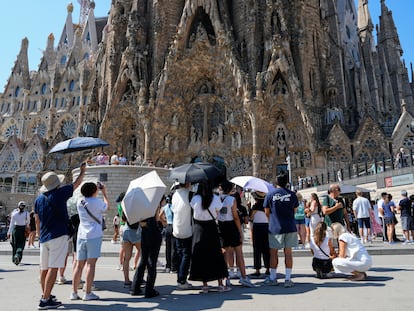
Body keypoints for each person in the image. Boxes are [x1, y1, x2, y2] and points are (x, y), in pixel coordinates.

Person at [34, 163, 86, 309]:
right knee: (53, 268)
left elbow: (37, 219)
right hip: (58, 234)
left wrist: (39, 235)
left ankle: (46, 294)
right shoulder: (60, 193)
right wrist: (82, 171)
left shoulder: (39, 199)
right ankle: (45, 301)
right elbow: (76, 184)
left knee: (44, 268)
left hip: (44, 237)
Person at [70, 181, 110, 301]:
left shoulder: (79, 202)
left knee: (79, 265)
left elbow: (88, 197)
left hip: (81, 235)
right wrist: (104, 193)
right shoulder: (98, 202)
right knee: (90, 265)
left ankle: (74, 292)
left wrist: (95, 190)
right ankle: (87, 293)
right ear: (94, 191)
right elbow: (107, 206)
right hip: (94, 235)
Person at [189, 181, 229, 293]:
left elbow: (193, 208)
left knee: (201, 256)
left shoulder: (195, 198)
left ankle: (205, 284)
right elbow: (218, 209)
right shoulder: (215, 198)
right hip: (211, 227)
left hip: (199, 228)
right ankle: (220, 284)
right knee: (216, 255)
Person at [263, 173, 299, 288]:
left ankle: (273, 277)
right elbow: (295, 210)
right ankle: (287, 279)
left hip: (275, 227)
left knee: (273, 253)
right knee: (288, 253)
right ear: (287, 182)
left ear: (276, 182)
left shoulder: (270, 195)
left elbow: (266, 212)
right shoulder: (292, 194)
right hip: (290, 226)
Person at [217, 180, 254, 288]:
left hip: (221, 225)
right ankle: (243, 276)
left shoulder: (216, 199)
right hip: (231, 225)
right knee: (238, 252)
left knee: (225, 252)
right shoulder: (231, 199)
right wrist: (239, 231)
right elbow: (235, 216)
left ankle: (225, 277)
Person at [129, 198, 164, 298]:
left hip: (144, 232)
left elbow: (140, 221)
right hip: (153, 231)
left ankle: (135, 287)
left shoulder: (141, 205)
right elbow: (157, 218)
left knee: (143, 260)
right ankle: (149, 289)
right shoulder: (154, 204)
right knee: (152, 261)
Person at [171, 182, 193, 290]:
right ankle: (182, 280)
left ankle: (180, 279)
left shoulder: (175, 195)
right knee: (186, 255)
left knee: (180, 254)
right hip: (187, 228)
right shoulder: (190, 195)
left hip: (176, 228)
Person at [249, 191, 270, 277]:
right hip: (266, 226)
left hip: (257, 227)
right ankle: (268, 268)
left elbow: (251, 217)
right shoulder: (267, 206)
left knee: (257, 249)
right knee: (266, 248)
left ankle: (257, 269)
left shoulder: (255, 206)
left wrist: (249, 207)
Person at [121, 217, 141, 288]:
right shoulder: (139, 207)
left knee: (126, 258)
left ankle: (126, 281)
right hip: (137, 231)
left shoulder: (126, 207)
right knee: (142, 253)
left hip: (126, 230)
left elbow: (123, 219)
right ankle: (139, 278)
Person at [159, 195, 177, 273]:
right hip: (173, 225)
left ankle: (168, 266)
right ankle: (173, 267)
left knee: (168, 247)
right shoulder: (174, 207)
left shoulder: (165, 207)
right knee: (173, 247)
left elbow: (159, 216)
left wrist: (164, 221)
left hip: (167, 226)